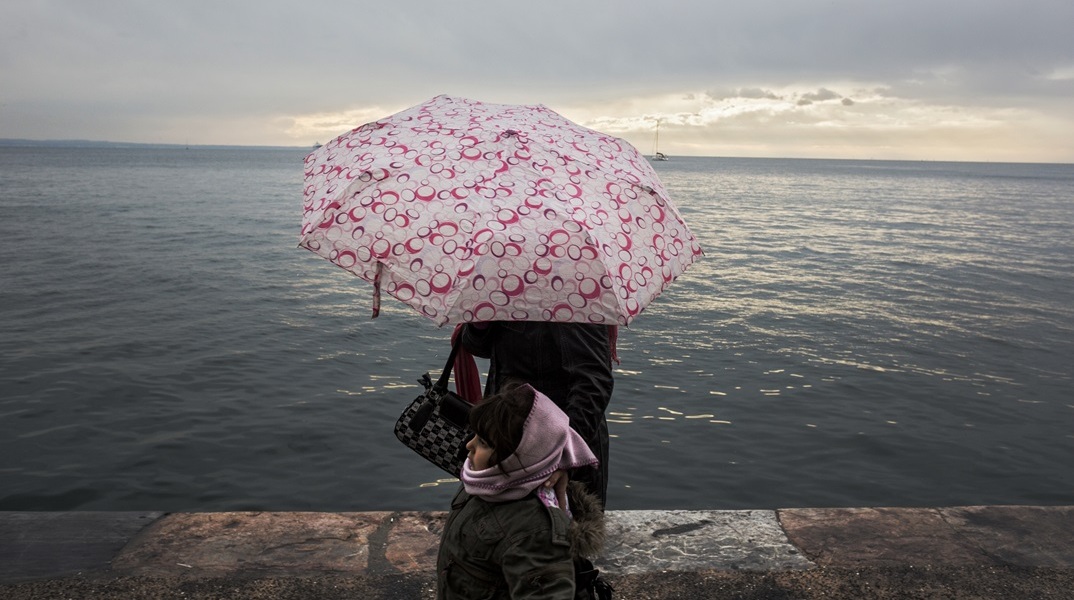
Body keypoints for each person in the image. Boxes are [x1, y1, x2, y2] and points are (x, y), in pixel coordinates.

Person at [436, 383, 608, 600]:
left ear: (519, 459)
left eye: (483, 443)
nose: (468, 445)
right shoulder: (485, 484)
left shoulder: (535, 532)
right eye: (475, 435)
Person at [460, 322, 615, 507]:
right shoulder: (505, 295)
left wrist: (562, 457)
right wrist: (479, 324)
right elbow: (483, 348)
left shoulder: (574, 299)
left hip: (557, 452)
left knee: (559, 530)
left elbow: (593, 382)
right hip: (503, 443)